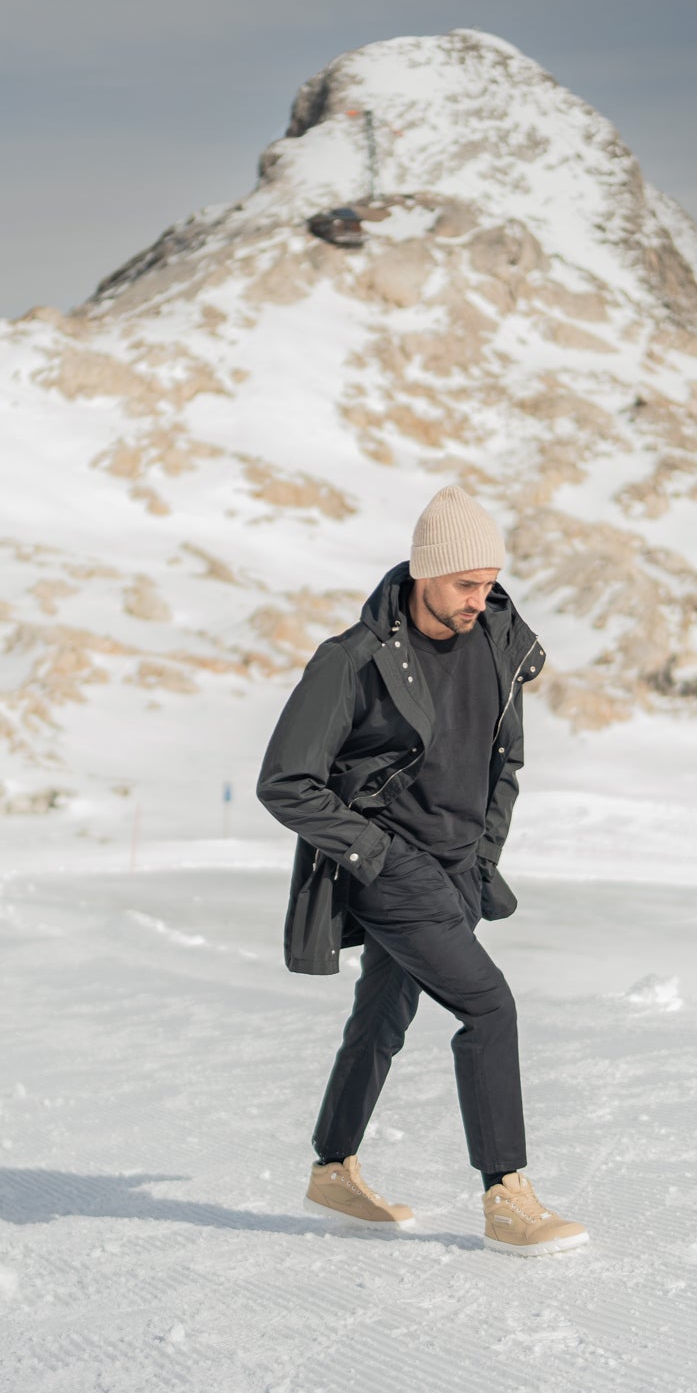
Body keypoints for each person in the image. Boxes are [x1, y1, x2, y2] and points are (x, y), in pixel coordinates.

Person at [256, 486, 589, 1257]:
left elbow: (506, 760)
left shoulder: (502, 642)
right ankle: (506, 1197)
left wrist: (482, 856)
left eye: (490, 581)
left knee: (381, 1018)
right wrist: (375, 856)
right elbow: (286, 780)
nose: (483, 598)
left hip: (458, 873)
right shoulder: (356, 659)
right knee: (489, 1008)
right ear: (424, 572)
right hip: (395, 872)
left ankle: (332, 1169)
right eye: (466, 583)